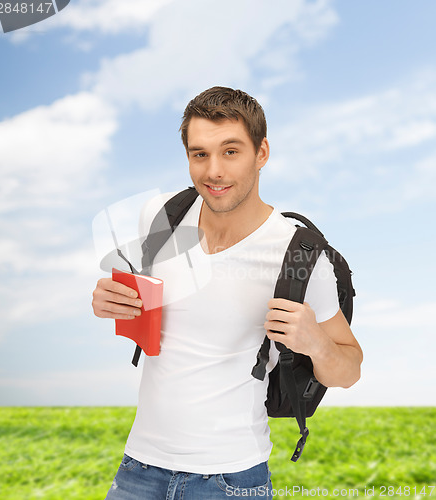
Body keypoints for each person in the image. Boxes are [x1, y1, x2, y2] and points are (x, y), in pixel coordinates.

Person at [92, 86, 363, 499]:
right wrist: (109, 301)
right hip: (138, 468)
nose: (213, 171)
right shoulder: (163, 215)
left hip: (230, 480)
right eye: (200, 154)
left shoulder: (300, 257)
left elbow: (350, 369)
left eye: (231, 151)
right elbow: (143, 301)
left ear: (262, 153)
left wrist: (316, 343)